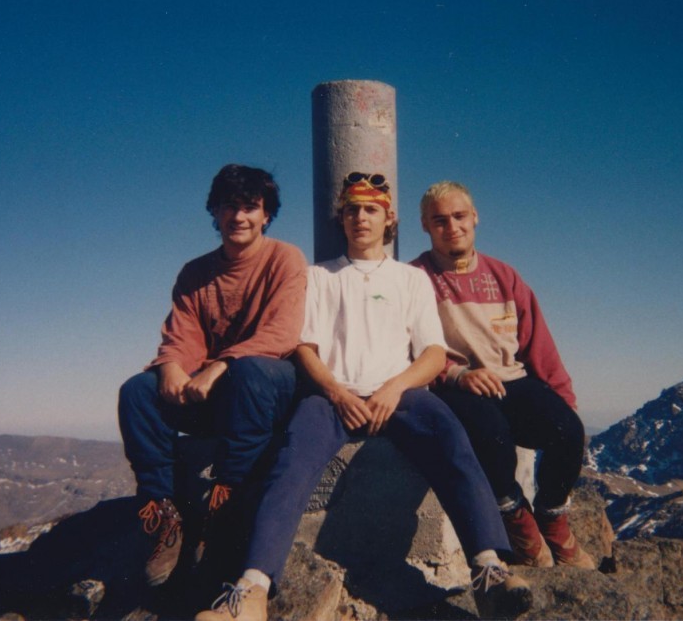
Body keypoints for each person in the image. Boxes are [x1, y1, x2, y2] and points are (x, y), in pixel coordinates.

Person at [196, 174, 533, 621]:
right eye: (352, 210)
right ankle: (251, 591)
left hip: (400, 393)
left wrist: (395, 387)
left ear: (388, 218)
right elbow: (304, 348)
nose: (360, 218)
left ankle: (488, 572)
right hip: (333, 395)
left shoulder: (410, 279)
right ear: (341, 218)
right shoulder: (318, 276)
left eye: (370, 209)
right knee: (290, 462)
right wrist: (336, 392)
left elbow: (433, 353)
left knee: (452, 441)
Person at [118, 164, 307, 587]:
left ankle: (227, 503)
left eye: (250, 207)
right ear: (215, 212)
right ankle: (163, 515)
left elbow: (281, 333)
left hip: (266, 387)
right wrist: (169, 366)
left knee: (250, 372)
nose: (239, 217)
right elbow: (181, 334)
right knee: (136, 391)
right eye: (229, 207)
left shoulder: (285, 258)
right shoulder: (194, 273)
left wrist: (220, 366)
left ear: (265, 215)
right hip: (215, 393)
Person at [411, 180, 591, 568]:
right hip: (456, 383)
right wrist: (456, 373)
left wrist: (565, 404)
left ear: (475, 217)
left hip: (511, 378)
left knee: (568, 431)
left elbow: (538, 345)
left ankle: (552, 518)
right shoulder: (415, 278)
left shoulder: (504, 275)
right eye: (439, 220)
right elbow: (406, 344)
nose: (452, 226)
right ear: (425, 225)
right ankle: (516, 519)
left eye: (460, 216)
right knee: (493, 437)